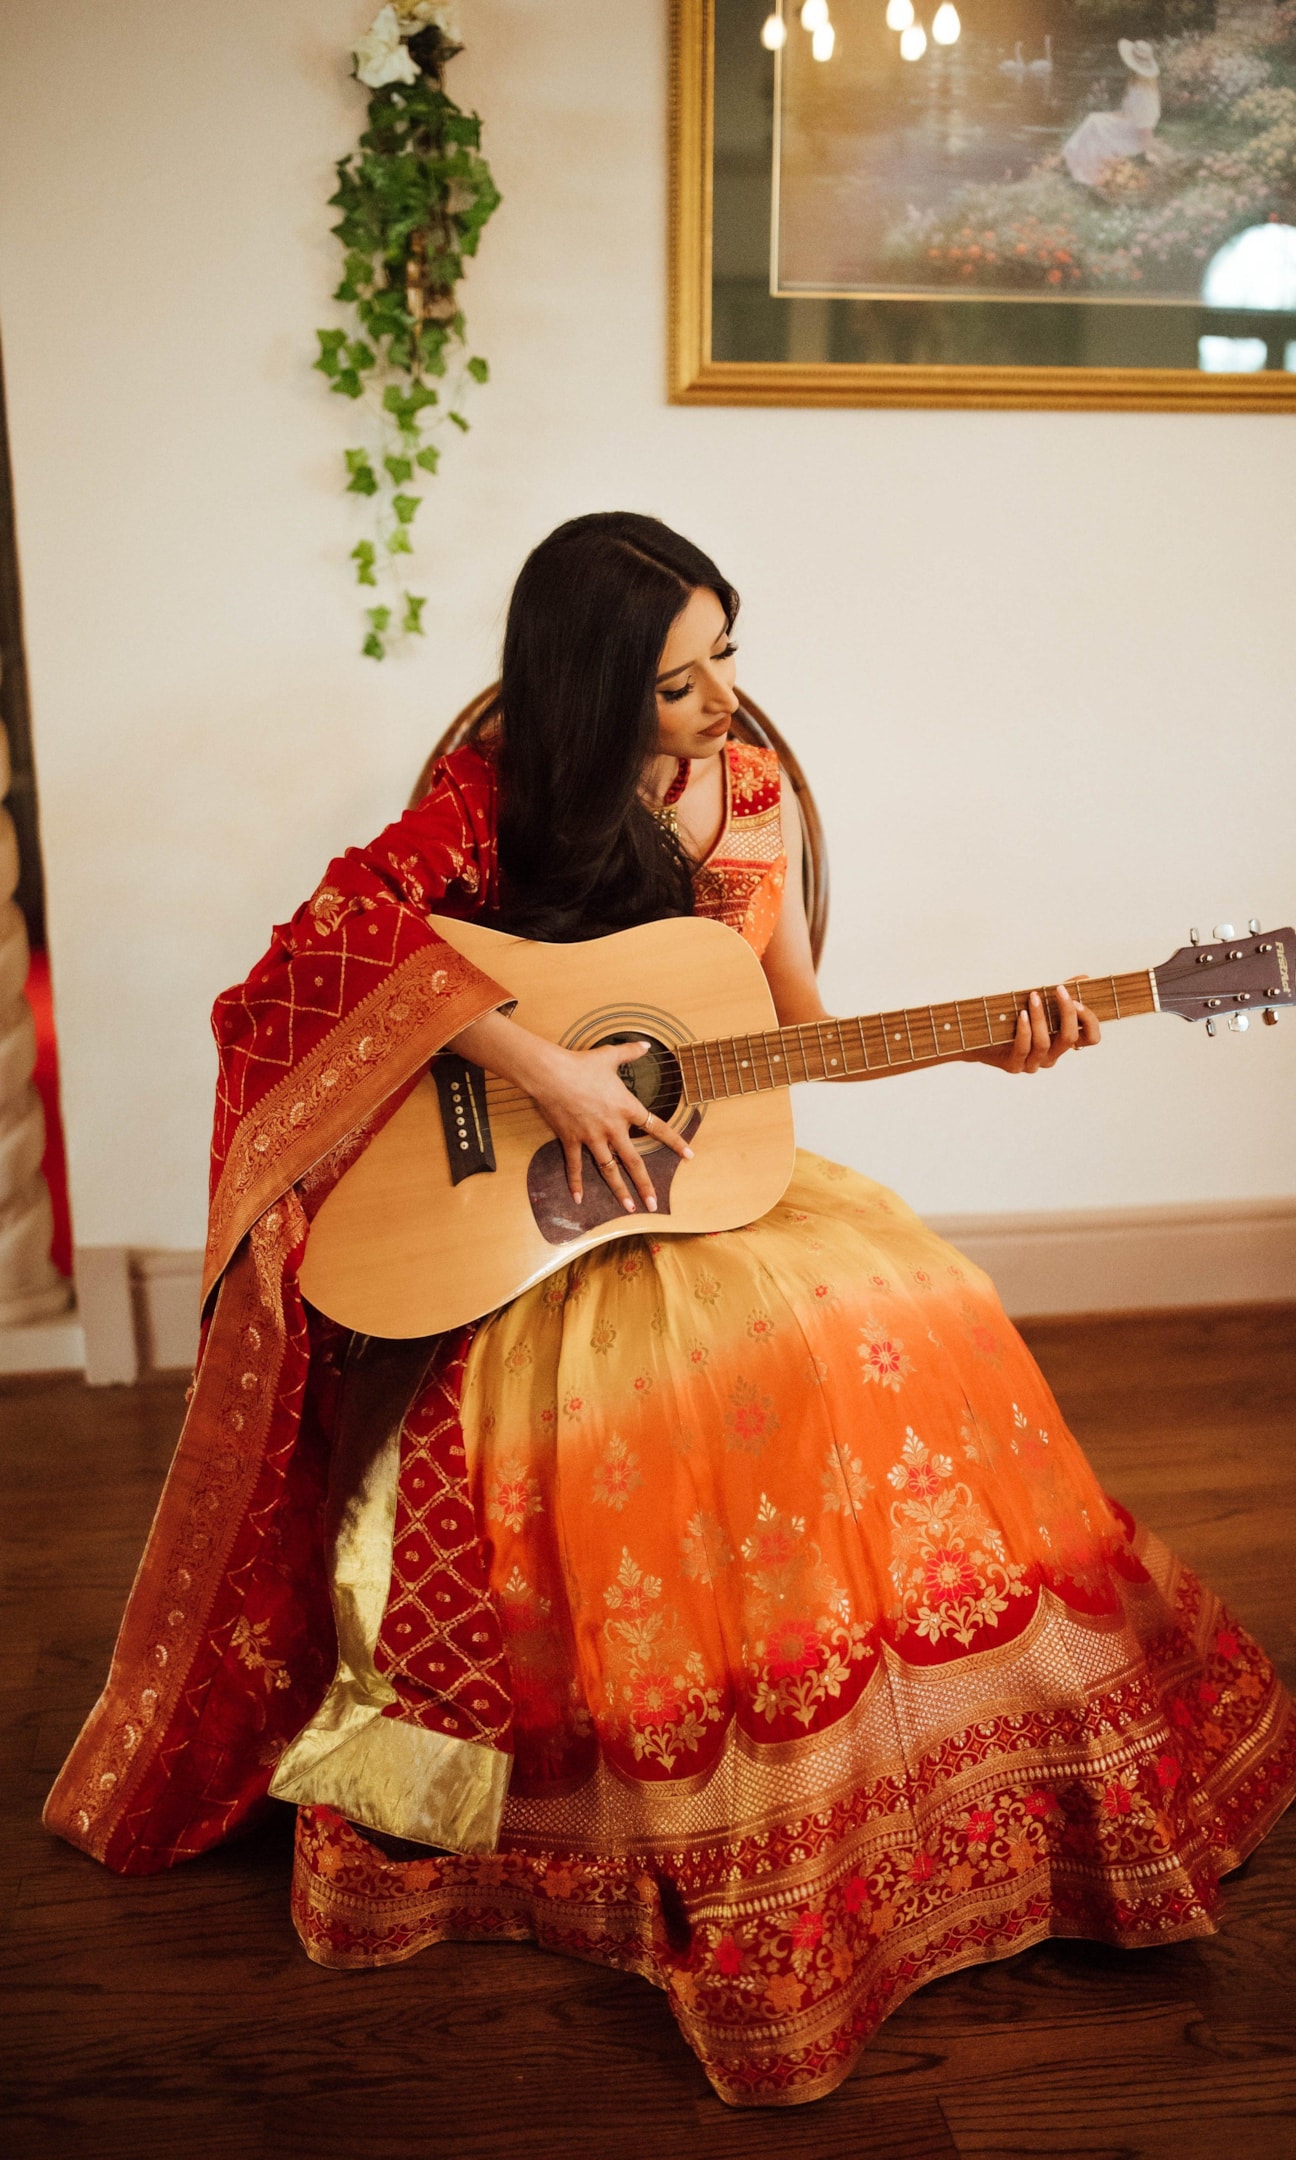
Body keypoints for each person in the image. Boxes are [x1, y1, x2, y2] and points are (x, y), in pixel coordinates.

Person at [46, 514, 1295, 2109]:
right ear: (589, 689)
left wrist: (995, 1041)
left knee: (900, 1318)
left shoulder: (750, 800)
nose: (722, 706)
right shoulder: (487, 805)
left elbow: (802, 1038)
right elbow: (329, 953)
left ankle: (877, 1786)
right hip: (521, 1233)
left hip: (699, 1193)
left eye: (726, 659)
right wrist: (543, 1061)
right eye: (678, 679)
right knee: (678, 1401)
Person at [1064, 39, 1162, 188]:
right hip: (1128, 125)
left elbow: (1145, 132)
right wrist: (1110, 117)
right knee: (1094, 119)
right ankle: (1074, 161)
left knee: (1095, 126)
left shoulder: (1145, 95)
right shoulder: (1136, 85)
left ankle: (1085, 172)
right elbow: (1127, 113)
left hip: (1133, 136)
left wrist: (1146, 153)